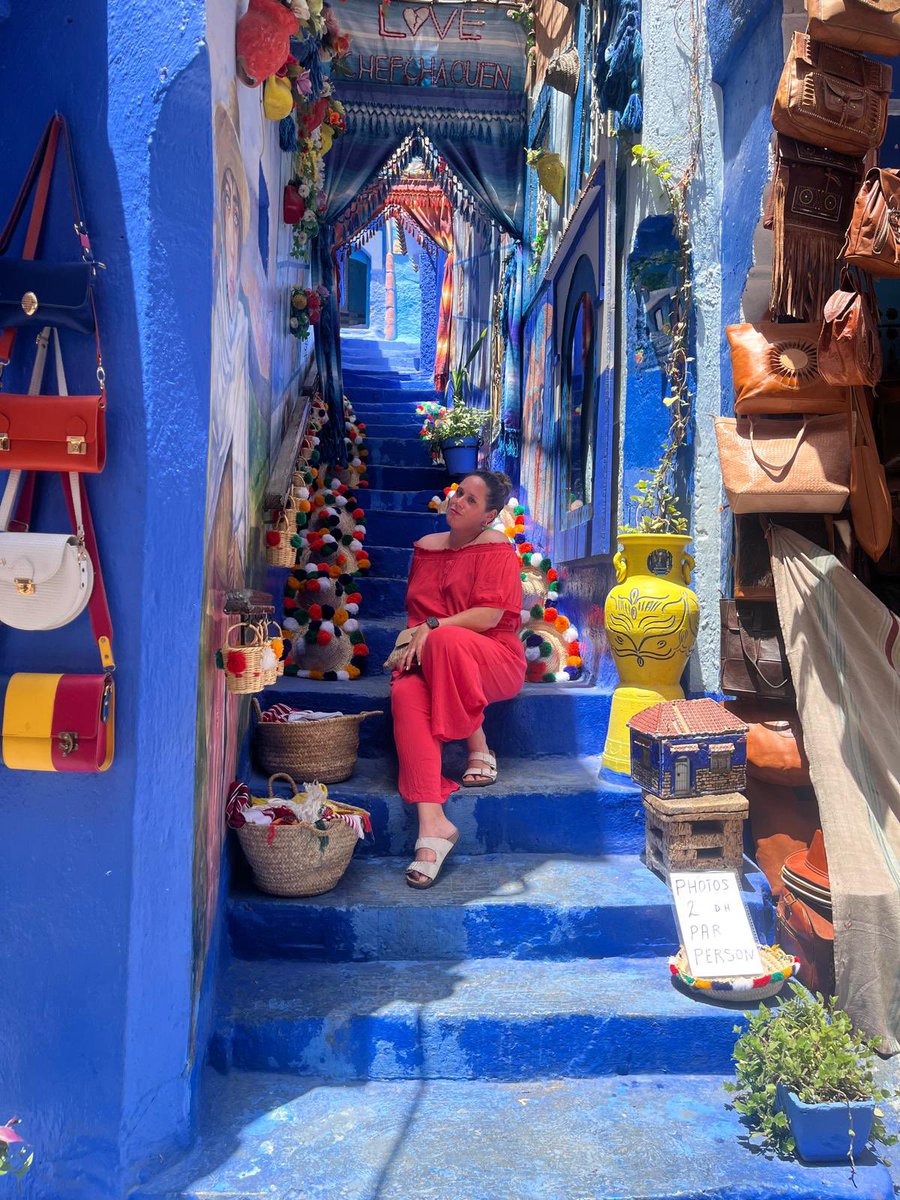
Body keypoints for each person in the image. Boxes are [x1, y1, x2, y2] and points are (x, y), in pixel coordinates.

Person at [391, 470, 526, 889]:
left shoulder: (497, 549)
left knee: (446, 639)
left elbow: (488, 616)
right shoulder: (427, 549)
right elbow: (419, 617)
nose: (457, 501)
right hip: (431, 658)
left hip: (493, 659)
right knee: (405, 691)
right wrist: (426, 632)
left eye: (470, 500)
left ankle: (477, 742)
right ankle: (433, 826)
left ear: (487, 517)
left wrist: (433, 625)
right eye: (458, 492)